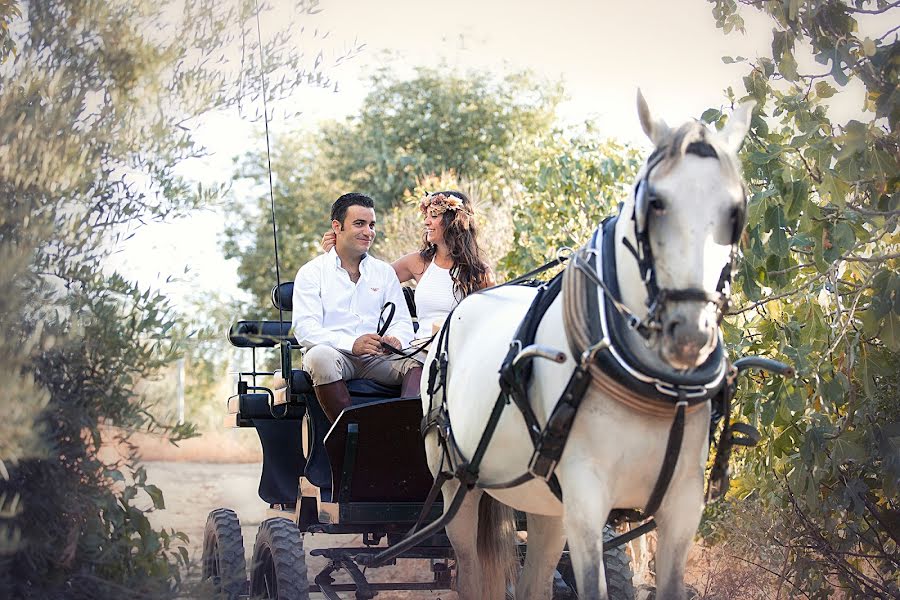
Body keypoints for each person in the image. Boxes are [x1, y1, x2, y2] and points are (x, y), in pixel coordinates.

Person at [321, 191, 494, 390]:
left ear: (454, 220)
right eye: (426, 216)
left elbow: (490, 322)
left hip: (460, 352)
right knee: (417, 369)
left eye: (434, 216)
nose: (427, 222)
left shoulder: (479, 273)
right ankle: (407, 420)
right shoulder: (418, 262)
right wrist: (336, 253)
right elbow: (369, 279)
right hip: (422, 351)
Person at [291, 193, 421, 422]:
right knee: (319, 357)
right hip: (335, 354)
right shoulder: (312, 272)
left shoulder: (384, 272)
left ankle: (405, 432)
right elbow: (305, 329)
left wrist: (396, 340)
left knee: (421, 360)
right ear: (337, 226)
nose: (368, 231)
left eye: (371, 225)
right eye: (359, 224)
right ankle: (351, 435)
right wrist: (352, 344)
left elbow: (401, 320)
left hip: (377, 357)